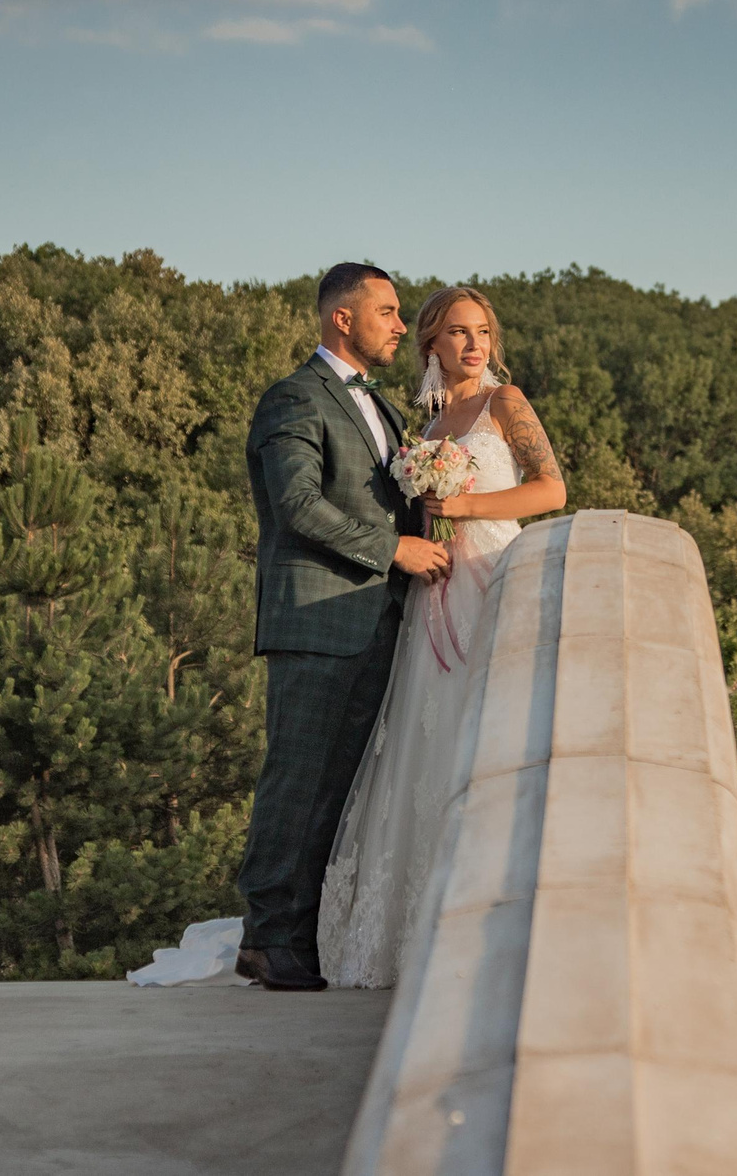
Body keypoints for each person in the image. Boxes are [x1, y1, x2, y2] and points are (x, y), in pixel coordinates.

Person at [318, 284, 566, 988]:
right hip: (434, 594)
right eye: (457, 332)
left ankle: (493, 920)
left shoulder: (505, 404)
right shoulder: (424, 429)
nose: (473, 344)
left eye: (482, 331)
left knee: (492, 735)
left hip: (492, 577)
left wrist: (464, 503)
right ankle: (417, 927)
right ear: (430, 344)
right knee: (427, 744)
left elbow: (551, 490)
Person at [233, 263, 451, 992]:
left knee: (342, 789)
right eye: (388, 312)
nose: (400, 324)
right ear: (342, 320)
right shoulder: (294, 398)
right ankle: (266, 940)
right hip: (319, 621)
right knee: (298, 781)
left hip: (378, 621)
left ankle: (307, 936)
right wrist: (393, 549)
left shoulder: (382, 408)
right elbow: (296, 503)